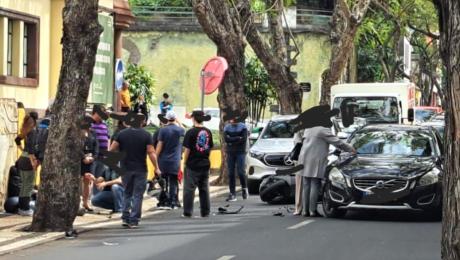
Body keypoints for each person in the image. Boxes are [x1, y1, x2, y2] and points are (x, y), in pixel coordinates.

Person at [297, 108, 355, 217]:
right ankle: (313, 210)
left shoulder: (309, 128)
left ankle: (305, 211)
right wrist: (351, 149)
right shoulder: (323, 130)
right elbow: (337, 142)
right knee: (315, 183)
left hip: (303, 158)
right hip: (315, 159)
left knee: (306, 184)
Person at [109, 114, 161, 228]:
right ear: (142, 122)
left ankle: (125, 218)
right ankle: (134, 220)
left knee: (127, 193)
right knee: (138, 195)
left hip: (125, 168)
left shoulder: (122, 134)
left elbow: (112, 149)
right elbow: (151, 152)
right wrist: (156, 167)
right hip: (141, 169)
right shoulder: (146, 135)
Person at [182, 111, 213, 218]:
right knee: (204, 189)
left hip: (192, 165)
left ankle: (187, 212)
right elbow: (210, 148)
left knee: (189, 189)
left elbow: (187, 150)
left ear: (193, 118)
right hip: (205, 164)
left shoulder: (190, 132)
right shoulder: (208, 132)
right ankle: (205, 212)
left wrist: (185, 162)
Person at [156, 111, 185, 209]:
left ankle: (164, 201)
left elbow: (159, 146)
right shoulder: (181, 131)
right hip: (175, 161)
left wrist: (155, 158)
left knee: (164, 181)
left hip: (163, 161)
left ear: (167, 118)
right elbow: (182, 145)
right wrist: (178, 122)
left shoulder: (163, 131)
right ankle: (173, 202)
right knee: (173, 181)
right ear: (175, 118)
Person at [14, 112, 38, 216]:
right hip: (28, 160)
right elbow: (32, 149)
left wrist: (22, 150)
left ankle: (21, 208)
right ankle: (25, 209)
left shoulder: (25, 130)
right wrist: (33, 163)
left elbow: (17, 139)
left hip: (22, 159)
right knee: (28, 186)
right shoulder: (32, 131)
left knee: (24, 185)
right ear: (35, 121)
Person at [223, 114, 249, 202]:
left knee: (241, 172)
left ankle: (244, 188)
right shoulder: (226, 127)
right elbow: (226, 139)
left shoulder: (243, 127)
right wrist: (238, 138)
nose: (232, 121)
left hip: (240, 152)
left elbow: (243, 139)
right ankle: (232, 193)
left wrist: (232, 140)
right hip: (230, 152)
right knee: (231, 173)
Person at [81, 116, 99, 211]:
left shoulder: (93, 133)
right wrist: (83, 157)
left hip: (91, 159)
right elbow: (76, 147)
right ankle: (77, 202)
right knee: (78, 180)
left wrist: (93, 157)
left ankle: (86, 202)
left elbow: (96, 146)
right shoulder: (78, 133)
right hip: (81, 159)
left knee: (88, 181)